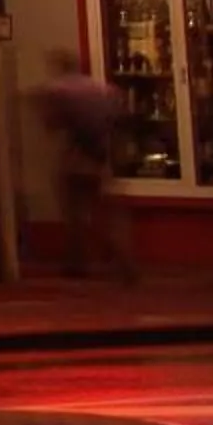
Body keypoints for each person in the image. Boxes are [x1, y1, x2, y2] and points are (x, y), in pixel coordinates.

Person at [36, 50, 139, 282]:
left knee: (74, 211)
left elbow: (52, 124)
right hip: (101, 156)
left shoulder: (58, 90)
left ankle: (77, 261)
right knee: (105, 211)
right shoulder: (103, 89)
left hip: (75, 156)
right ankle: (124, 261)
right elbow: (120, 119)